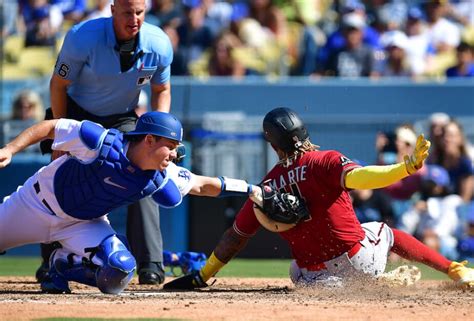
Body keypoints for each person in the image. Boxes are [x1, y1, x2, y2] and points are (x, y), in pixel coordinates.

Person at [163, 107, 474, 290]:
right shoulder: (324, 160)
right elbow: (362, 177)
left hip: (316, 280)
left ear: (273, 145)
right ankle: (453, 269)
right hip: (359, 262)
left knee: (293, 270)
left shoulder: (268, 184)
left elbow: (234, 239)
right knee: (383, 230)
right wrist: (405, 167)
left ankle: (363, 285)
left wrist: (203, 277)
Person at [0, 111, 275, 294]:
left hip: (82, 224)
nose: (176, 153)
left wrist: (252, 189)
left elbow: (204, 185)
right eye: (171, 145)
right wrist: (10, 149)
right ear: (149, 139)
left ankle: (62, 263)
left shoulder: (160, 176)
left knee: (119, 272)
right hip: (35, 204)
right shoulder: (100, 142)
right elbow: (51, 128)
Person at [39, 0, 173, 286]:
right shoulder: (82, 37)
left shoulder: (159, 43)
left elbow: (161, 89)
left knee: (146, 172)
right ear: (112, 10)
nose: (133, 18)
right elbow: (58, 85)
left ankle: (150, 263)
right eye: (127, 12)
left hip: (122, 117)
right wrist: (62, 136)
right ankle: (51, 259)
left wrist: (160, 137)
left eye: (139, 12)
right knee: (60, 179)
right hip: (75, 113)